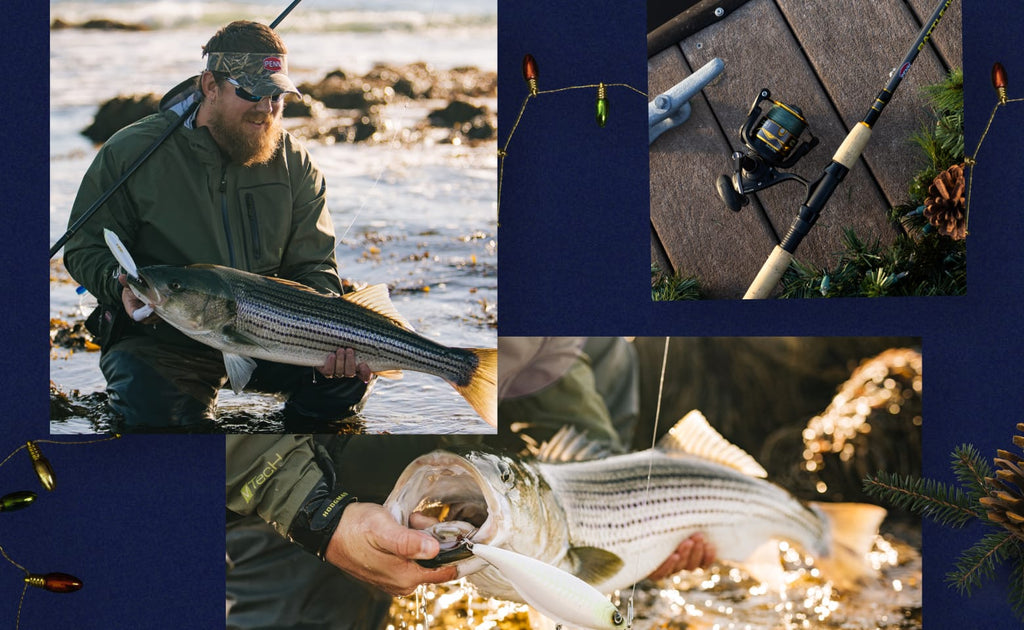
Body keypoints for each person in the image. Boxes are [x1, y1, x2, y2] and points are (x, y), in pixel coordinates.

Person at [225, 337, 714, 630]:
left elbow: (570, 416)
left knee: (605, 347)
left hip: (476, 462)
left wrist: (636, 534)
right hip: (291, 474)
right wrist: (317, 520)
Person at [63, 21, 371, 430]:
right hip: (163, 338)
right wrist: (117, 285)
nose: (267, 108)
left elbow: (314, 268)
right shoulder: (131, 153)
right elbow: (84, 248)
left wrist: (331, 337)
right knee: (159, 422)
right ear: (210, 86)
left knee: (341, 391)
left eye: (276, 94)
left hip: (273, 335)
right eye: (251, 93)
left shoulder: (296, 163)